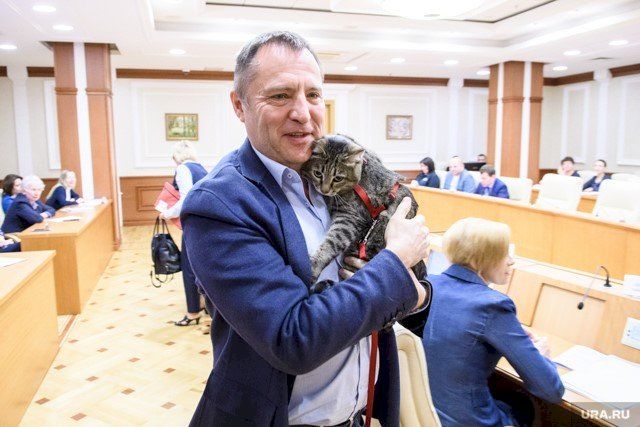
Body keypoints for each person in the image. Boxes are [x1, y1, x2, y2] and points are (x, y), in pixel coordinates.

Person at [180, 31, 431, 427]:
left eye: (313, 95)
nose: (303, 112)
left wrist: (417, 293)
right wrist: (397, 265)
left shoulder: (341, 172)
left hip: (362, 414)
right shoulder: (219, 204)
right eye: (280, 96)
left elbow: (411, 285)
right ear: (239, 105)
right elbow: (293, 338)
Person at [422, 218, 564, 427]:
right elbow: (550, 390)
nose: (511, 261)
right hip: (469, 422)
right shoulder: (493, 305)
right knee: (524, 405)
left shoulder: (427, 285)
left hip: (424, 414)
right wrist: (543, 357)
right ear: (481, 258)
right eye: (505, 253)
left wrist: (510, 330)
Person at [159, 140, 209, 327]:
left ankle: (193, 312)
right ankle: (204, 304)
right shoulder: (201, 168)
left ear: (176, 156)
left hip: (193, 225)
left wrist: (167, 214)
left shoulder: (182, 169)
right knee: (200, 268)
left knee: (189, 269)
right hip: (205, 225)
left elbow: (186, 199)